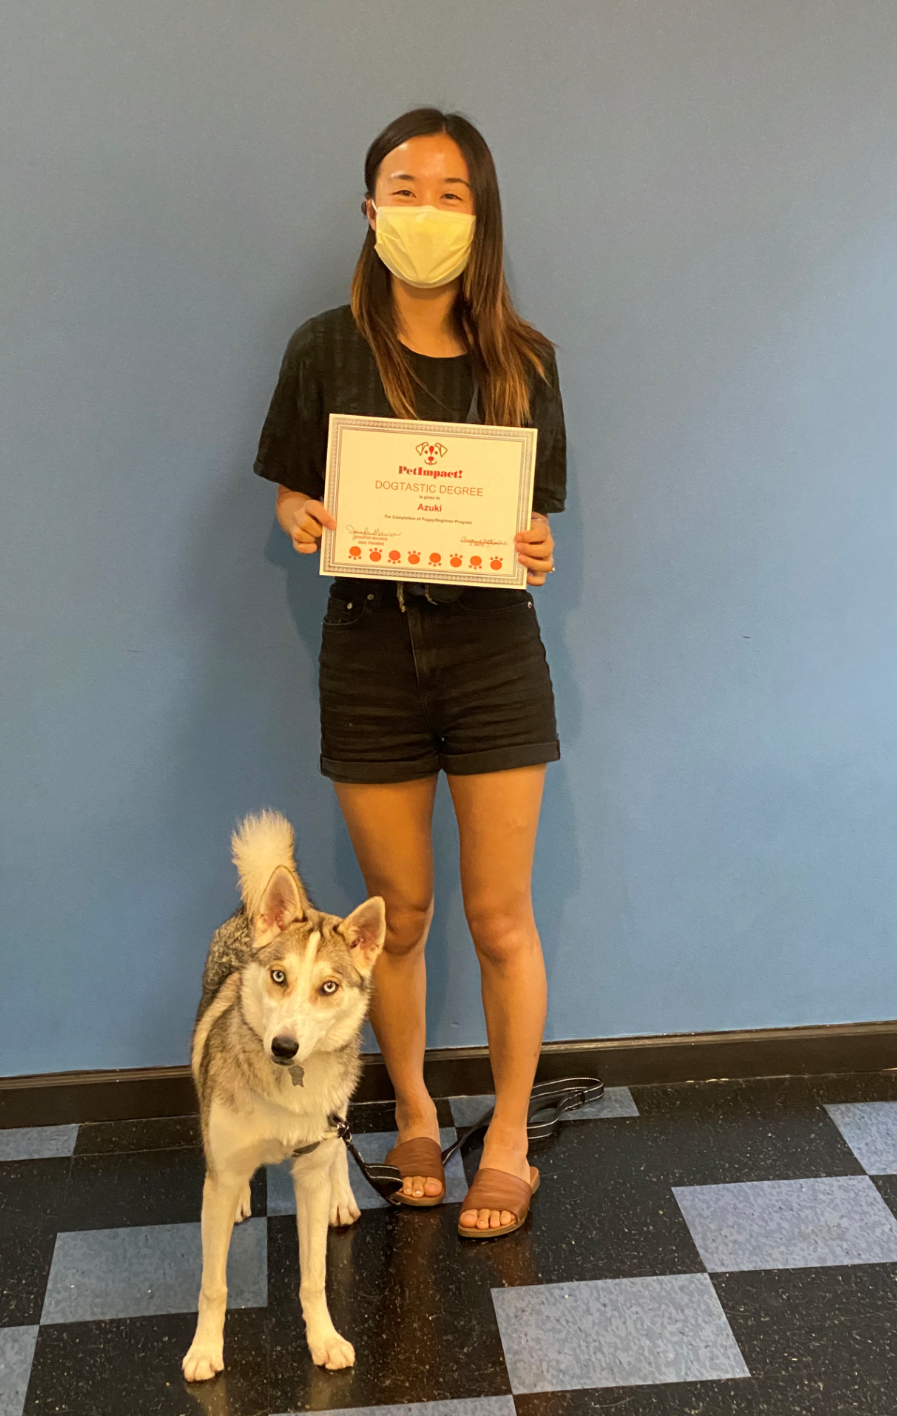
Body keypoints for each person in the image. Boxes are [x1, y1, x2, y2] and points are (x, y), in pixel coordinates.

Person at [252, 108, 566, 1238]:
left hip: (491, 661)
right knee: (402, 917)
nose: (424, 209)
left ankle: (514, 1134)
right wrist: (300, 512)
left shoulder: (523, 363)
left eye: (450, 191)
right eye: (404, 185)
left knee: (499, 918)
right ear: (369, 207)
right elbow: (292, 490)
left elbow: (530, 526)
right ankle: (419, 1116)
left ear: (478, 218)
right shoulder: (321, 348)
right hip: (370, 655)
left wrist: (533, 545)